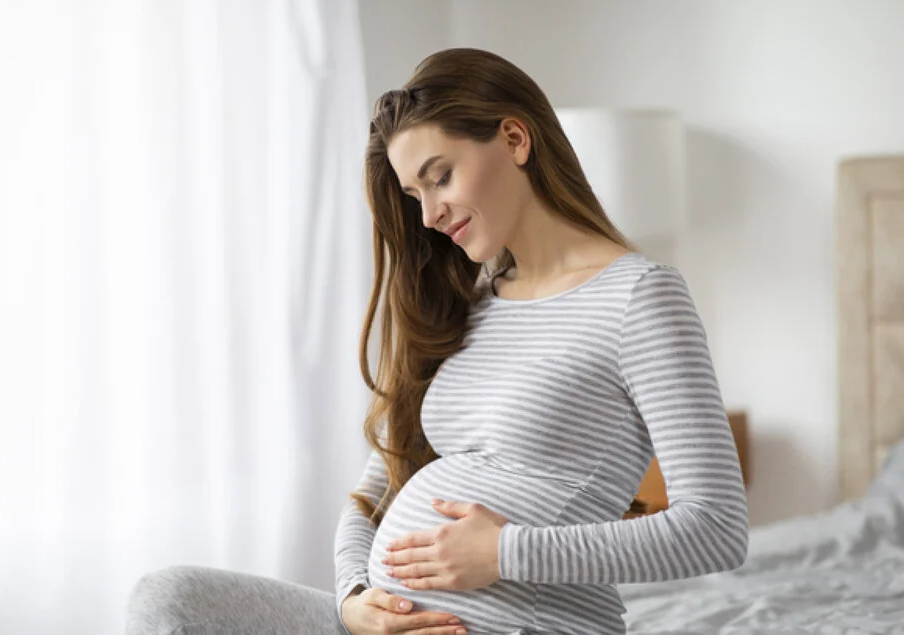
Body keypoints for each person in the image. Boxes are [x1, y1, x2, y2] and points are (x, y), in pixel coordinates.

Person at [125, 47, 748, 635]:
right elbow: (374, 493)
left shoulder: (640, 297)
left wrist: (504, 552)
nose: (428, 215)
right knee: (168, 599)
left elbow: (717, 527)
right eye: (413, 195)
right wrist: (353, 602)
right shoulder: (468, 305)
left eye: (439, 177)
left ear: (514, 138)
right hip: (385, 622)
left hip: (517, 621)